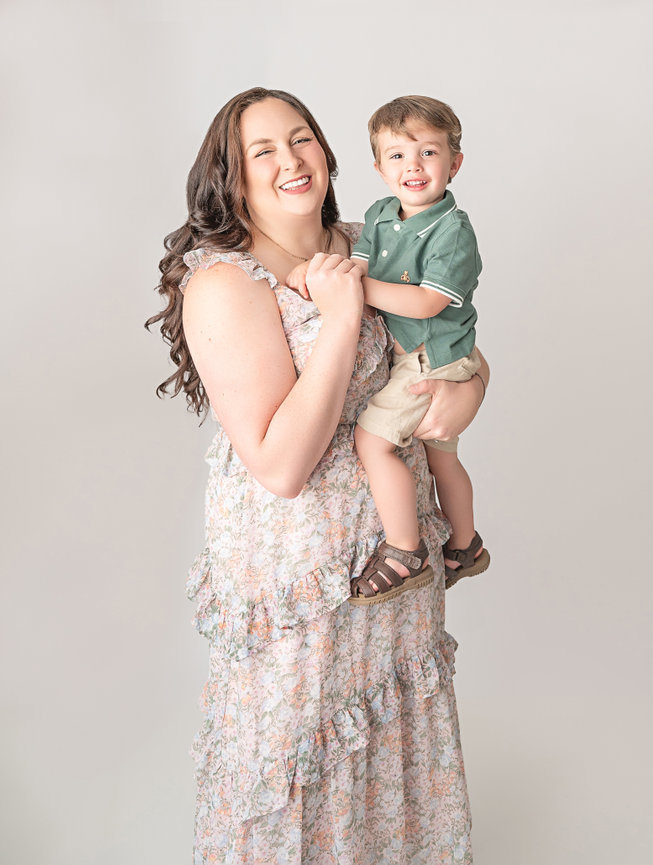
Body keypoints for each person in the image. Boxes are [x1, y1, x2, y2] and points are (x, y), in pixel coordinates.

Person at [147, 87, 488, 864]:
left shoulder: (371, 239)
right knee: (298, 786)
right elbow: (281, 464)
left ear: (330, 154)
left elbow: (449, 338)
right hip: (301, 584)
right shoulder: (224, 284)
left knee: (390, 778)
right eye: (261, 150)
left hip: (394, 572)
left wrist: (469, 386)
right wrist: (340, 317)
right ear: (230, 178)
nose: (290, 160)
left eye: (300, 139)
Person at [288, 96, 489, 603]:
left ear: (454, 163)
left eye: (428, 152)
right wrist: (324, 275)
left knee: (372, 443)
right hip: (421, 354)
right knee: (442, 459)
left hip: (433, 356)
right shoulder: (379, 215)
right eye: (397, 156)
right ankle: (465, 546)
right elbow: (356, 264)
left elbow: (424, 303)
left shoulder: (453, 231)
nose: (413, 166)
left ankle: (405, 549)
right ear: (379, 168)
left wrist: (354, 288)